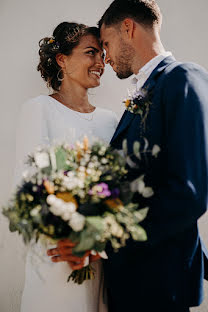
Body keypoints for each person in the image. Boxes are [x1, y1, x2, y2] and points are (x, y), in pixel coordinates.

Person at [97, 0, 208, 311]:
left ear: (128, 28)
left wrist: (113, 238)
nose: (105, 58)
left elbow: (190, 192)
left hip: (157, 284)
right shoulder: (144, 91)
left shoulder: (182, 77)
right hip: (132, 282)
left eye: (106, 44)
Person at [15, 21, 118, 312]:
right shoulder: (39, 109)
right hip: (59, 253)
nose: (101, 62)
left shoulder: (111, 120)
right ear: (62, 59)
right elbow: (26, 186)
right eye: (91, 52)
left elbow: (118, 188)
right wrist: (70, 237)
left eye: (102, 53)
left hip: (100, 258)